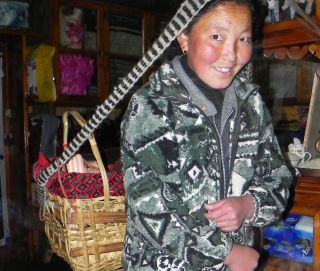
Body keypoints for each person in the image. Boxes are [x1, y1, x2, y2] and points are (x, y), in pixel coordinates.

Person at [120, 0, 293, 270]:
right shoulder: (152, 107)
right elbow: (150, 209)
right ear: (184, 38)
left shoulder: (251, 104)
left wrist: (249, 205)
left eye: (243, 38)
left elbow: (279, 177)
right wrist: (226, 252)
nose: (231, 54)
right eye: (216, 37)